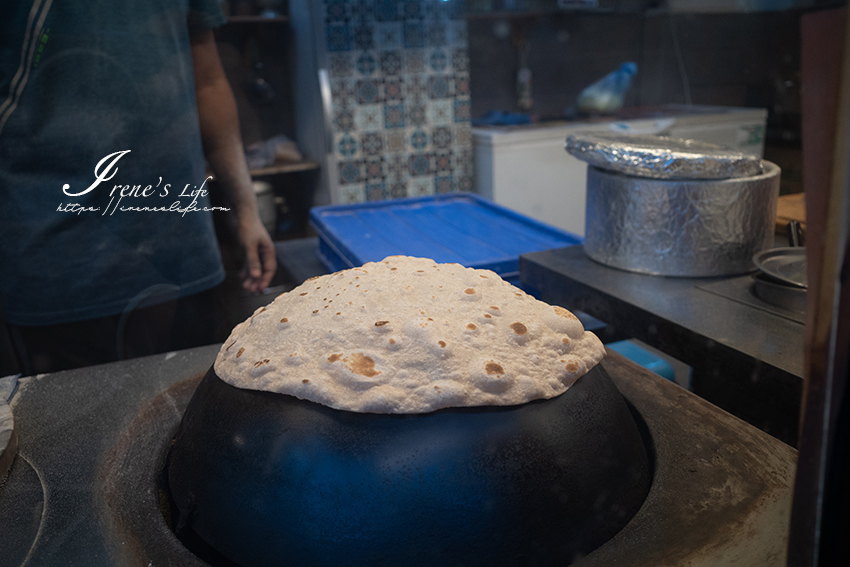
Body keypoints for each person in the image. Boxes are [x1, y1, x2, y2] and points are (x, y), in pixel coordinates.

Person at [0, 0, 276, 374]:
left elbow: (208, 80)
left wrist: (246, 209)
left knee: (194, 417)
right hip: (54, 254)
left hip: (182, 248)